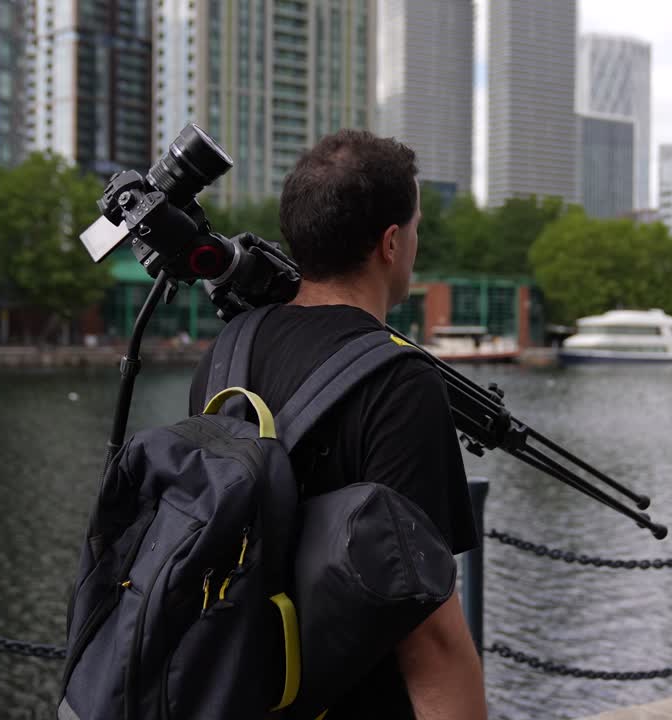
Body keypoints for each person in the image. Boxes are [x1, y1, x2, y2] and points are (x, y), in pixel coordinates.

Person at [188, 130, 487, 719]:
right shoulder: (400, 384)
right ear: (392, 242)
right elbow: (432, 642)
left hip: (231, 693)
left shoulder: (227, 351)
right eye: (418, 228)